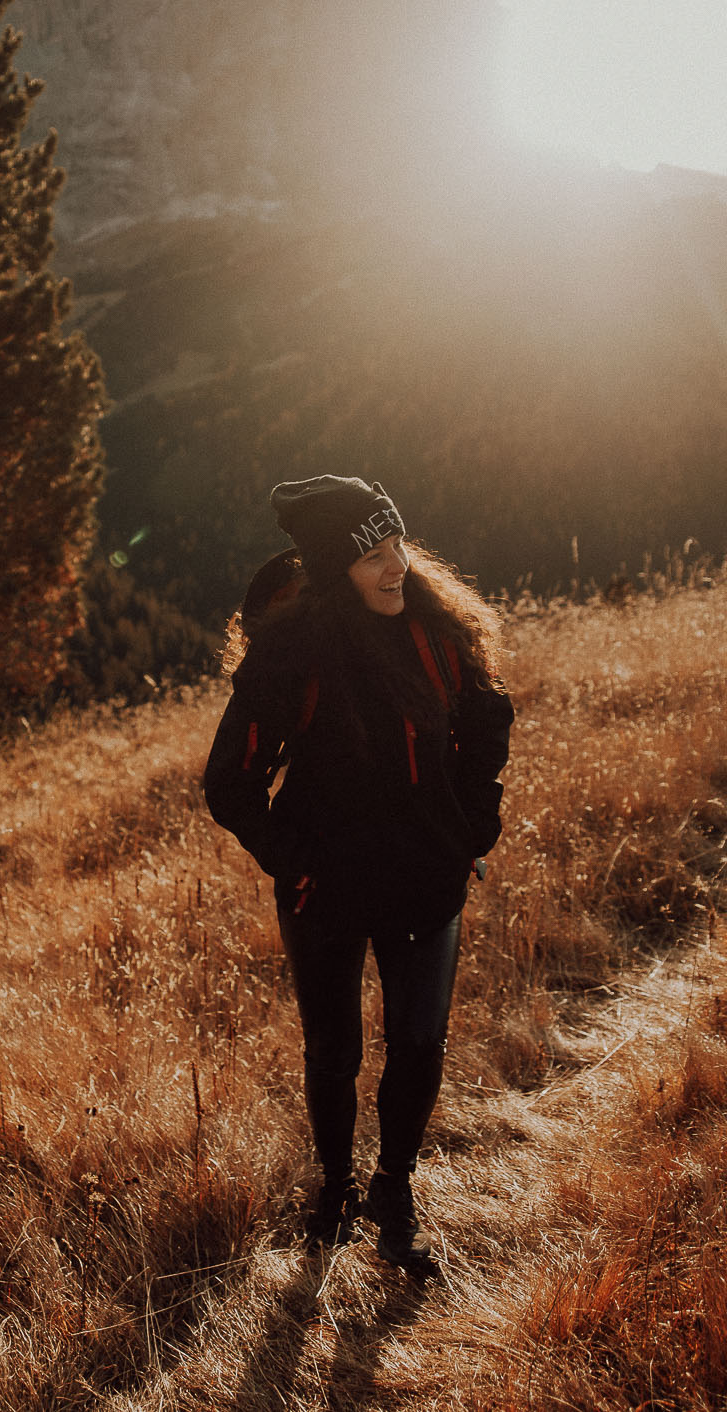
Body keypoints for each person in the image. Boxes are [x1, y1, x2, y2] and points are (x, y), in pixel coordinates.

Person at [203, 475, 513, 1270]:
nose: (396, 568)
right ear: (335, 567)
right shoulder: (291, 656)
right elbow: (230, 783)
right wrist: (297, 863)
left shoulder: (438, 635)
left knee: (418, 1042)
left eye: (398, 547)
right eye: (373, 555)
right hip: (326, 890)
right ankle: (335, 1190)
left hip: (426, 876)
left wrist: (472, 825)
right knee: (333, 1050)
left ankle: (393, 1191)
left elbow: (485, 718)